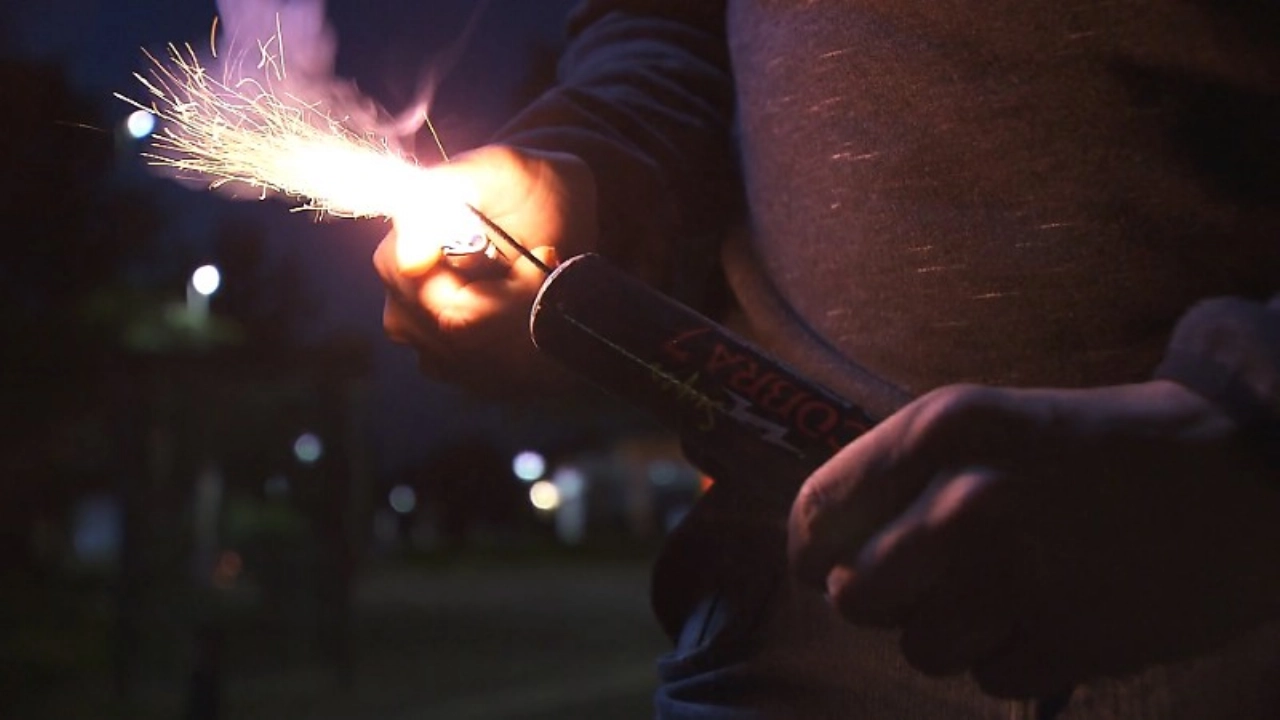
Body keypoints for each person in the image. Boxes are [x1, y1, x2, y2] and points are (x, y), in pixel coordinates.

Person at [374, 2, 1280, 717]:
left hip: (1233, 599)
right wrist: (592, 173)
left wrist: (1247, 426)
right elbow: (664, 22)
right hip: (791, 621)